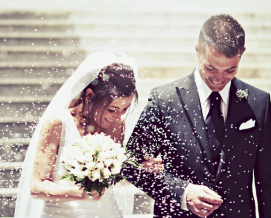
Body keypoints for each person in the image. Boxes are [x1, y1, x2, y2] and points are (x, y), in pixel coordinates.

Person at [124, 14, 271, 218]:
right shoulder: (164, 99)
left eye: (230, 70)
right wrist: (182, 192)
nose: (219, 79)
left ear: (242, 53)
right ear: (197, 48)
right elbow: (130, 163)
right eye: (211, 67)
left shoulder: (258, 103)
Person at [15, 51, 163, 218]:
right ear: (90, 95)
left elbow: (111, 180)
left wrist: (138, 170)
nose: (119, 116)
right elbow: (37, 187)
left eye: (125, 109)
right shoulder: (57, 124)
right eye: (113, 109)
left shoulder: (117, 126)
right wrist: (81, 193)